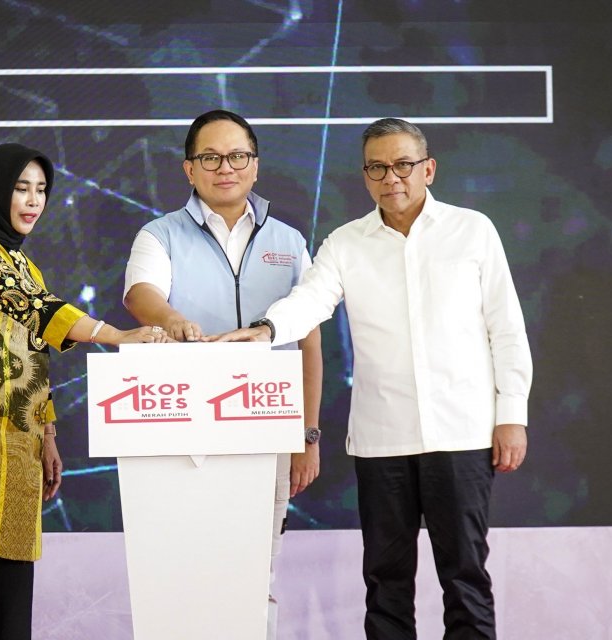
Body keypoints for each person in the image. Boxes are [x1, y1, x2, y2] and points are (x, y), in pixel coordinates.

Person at [211, 118, 532, 639]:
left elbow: (507, 328)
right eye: (377, 168)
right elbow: (310, 300)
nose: (391, 178)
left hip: (463, 432)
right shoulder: (346, 243)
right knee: (385, 583)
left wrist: (512, 414)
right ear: (365, 176)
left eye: (403, 165)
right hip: (382, 439)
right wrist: (267, 330)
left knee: (465, 577)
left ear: (428, 169)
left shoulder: (472, 230)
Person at [0, 143, 168, 639]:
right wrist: (115, 335)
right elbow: (36, 308)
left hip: (19, 439)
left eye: (41, 190)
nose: (34, 201)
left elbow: (35, 354)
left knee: (13, 595)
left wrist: (48, 434)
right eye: (21, 188)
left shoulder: (21, 262)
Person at [123, 109, 324, 639]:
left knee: (259, 572)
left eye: (237, 156)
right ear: (189, 169)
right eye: (210, 158)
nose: (225, 168)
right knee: (182, 568)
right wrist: (171, 319)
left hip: (267, 428)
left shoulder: (289, 241)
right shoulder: (160, 234)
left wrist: (307, 435)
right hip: (182, 430)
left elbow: (308, 341)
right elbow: (141, 293)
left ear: (255, 165)